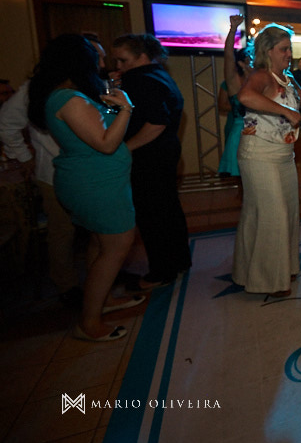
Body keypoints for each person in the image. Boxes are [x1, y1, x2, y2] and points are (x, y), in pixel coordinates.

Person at [27, 34, 144, 341]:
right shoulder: (69, 99)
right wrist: (126, 109)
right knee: (116, 248)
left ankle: (101, 302)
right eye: (97, 57)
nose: (102, 63)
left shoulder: (71, 95)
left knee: (99, 245)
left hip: (98, 182)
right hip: (97, 186)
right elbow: (106, 144)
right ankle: (88, 322)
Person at [232, 24, 301, 297]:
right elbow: (244, 96)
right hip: (258, 154)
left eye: (289, 48)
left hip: (283, 155)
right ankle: (267, 280)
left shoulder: (287, 77)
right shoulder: (262, 75)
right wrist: (286, 112)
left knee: (285, 214)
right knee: (272, 216)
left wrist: (299, 109)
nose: (289, 53)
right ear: (268, 51)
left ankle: (272, 268)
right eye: (284, 49)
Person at [112, 34, 191, 291]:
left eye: (123, 60)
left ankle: (161, 271)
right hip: (166, 151)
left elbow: (156, 122)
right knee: (168, 207)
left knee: (151, 214)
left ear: (142, 56)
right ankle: (179, 260)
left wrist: (124, 149)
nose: (119, 66)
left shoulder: (140, 79)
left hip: (149, 155)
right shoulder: (160, 75)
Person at [217, 15, 249, 178]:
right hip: (240, 132)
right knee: (243, 178)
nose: (254, 63)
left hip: (260, 132)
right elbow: (228, 54)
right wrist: (233, 29)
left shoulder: (259, 80)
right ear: (242, 63)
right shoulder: (234, 80)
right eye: (250, 60)